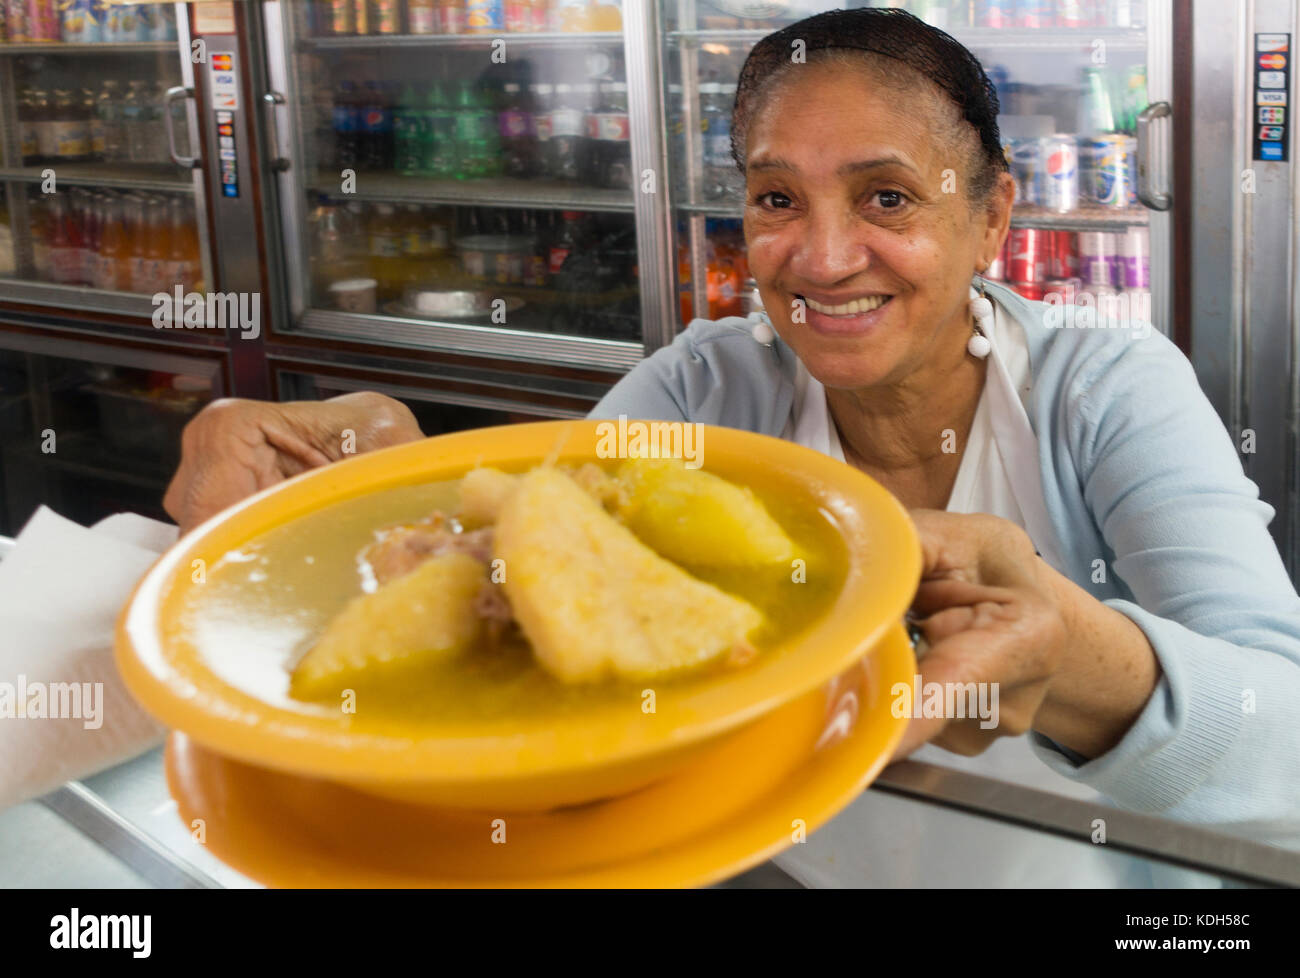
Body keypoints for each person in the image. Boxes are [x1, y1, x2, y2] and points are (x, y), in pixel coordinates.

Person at [163, 9, 1300, 861]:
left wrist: (1072, 655)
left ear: (992, 213)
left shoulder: (1104, 389)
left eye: (887, 198)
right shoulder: (708, 383)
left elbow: (1279, 744)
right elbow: (542, 541)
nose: (820, 256)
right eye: (774, 199)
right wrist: (376, 455)